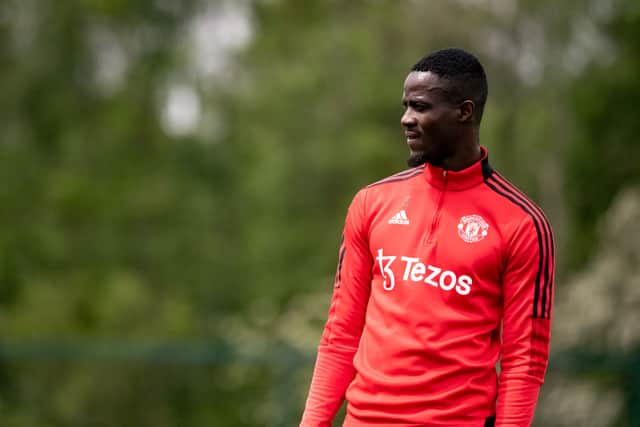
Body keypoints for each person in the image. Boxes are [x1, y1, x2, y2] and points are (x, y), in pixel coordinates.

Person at [299, 48, 555, 427]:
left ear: (464, 112)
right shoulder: (371, 203)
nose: (406, 120)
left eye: (420, 107)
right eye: (405, 107)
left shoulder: (522, 223)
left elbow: (524, 360)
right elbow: (341, 333)